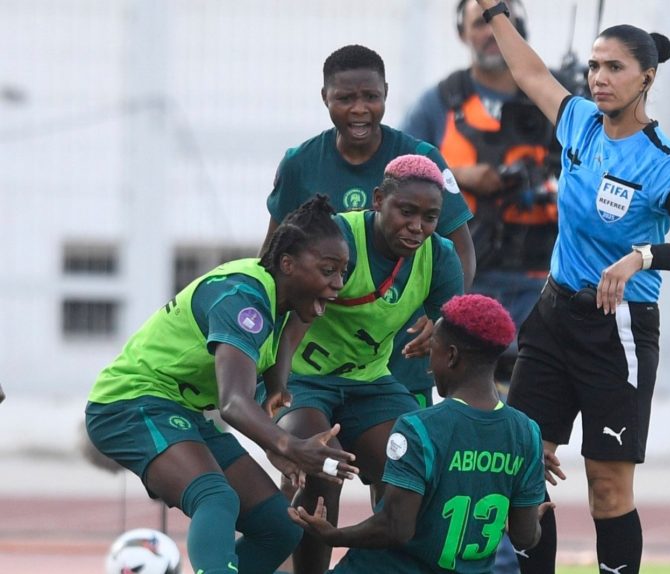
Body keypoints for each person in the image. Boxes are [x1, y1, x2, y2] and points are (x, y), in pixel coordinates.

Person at [473, 3, 670, 573]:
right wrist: (494, 12)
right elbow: (530, 72)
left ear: (647, 77)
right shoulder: (579, 122)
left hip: (618, 332)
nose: (598, 78)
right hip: (553, 318)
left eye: (614, 67)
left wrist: (642, 257)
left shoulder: (665, 166)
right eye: (594, 66)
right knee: (520, 469)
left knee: (607, 490)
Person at [85, 196, 360, 574]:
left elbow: (261, 388)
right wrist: (290, 445)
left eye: (343, 272)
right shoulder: (243, 299)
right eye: (328, 270)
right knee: (215, 497)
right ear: (287, 264)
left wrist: (278, 440)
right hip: (129, 403)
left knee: (278, 527)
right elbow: (233, 402)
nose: (338, 284)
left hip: (181, 410)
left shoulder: (282, 305)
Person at [277, 154, 465, 574]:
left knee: (416, 467)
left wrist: (491, 428)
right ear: (379, 200)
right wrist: (275, 387)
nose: (416, 227)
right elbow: (289, 310)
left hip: (370, 383)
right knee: (324, 463)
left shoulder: (439, 256)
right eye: (406, 212)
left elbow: (459, 344)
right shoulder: (339, 237)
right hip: (301, 378)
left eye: (430, 218)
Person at [263, 44, 476, 412]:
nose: (359, 109)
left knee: (402, 447)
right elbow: (271, 257)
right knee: (312, 443)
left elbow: (461, 250)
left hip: (401, 355)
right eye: (345, 98)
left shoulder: (421, 159)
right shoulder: (300, 163)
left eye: (371, 97)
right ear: (325, 97)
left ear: (386, 94)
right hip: (315, 361)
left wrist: (445, 316)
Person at [289, 294, 552, 574]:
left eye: (433, 349)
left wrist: (334, 535)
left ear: (451, 356)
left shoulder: (419, 428)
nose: (428, 365)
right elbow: (526, 537)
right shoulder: (527, 433)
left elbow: (396, 528)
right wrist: (530, 522)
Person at [402, 0, 558, 382]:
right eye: (479, 23)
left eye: (499, 21)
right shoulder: (440, 103)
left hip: (546, 283)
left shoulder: (555, 96)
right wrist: (458, 176)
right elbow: (397, 174)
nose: (490, 32)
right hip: (467, 279)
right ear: (462, 33)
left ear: (519, 27)